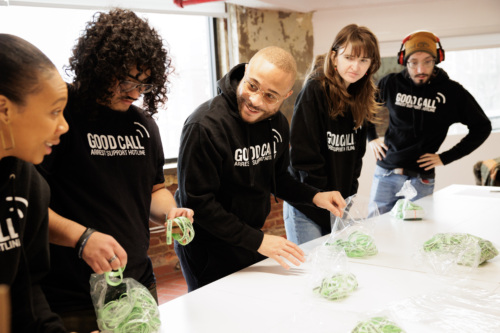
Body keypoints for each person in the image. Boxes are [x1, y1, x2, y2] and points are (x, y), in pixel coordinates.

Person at [35, 9, 194, 332]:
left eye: (143, 84)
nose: (135, 93)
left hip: (137, 284)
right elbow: (30, 205)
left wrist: (172, 213)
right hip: (72, 293)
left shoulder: (143, 125)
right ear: (99, 65)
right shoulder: (61, 116)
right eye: (125, 81)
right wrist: (82, 239)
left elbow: (152, 190)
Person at [175, 46, 347, 292]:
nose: (255, 101)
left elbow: (278, 178)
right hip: (206, 245)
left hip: (248, 237)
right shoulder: (203, 126)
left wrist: (315, 196)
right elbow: (199, 204)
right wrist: (259, 241)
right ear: (245, 72)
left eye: (270, 96)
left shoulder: (277, 124)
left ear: (286, 95)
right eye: (252, 86)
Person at [367, 30, 492, 214]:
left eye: (427, 61)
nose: (420, 69)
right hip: (385, 174)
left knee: (418, 233)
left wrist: (445, 157)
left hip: (421, 179)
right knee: (375, 226)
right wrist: (371, 137)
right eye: (414, 62)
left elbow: (482, 127)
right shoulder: (391, 83)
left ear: (437, 60)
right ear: (404, 60)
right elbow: (364, 106)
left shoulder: (452, 93)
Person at [284, 24, 381, 245]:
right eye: (349, 57)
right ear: (334, 57)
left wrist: (348, 196)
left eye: (364, 60)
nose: (355, 66)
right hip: (307, 205)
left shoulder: (360, 96)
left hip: (337, 205)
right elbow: (304, 155)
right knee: (311, 271)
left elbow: (356, 156)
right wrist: (323, 198)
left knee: (333, 267)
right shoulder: (315, 90)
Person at [0, 34, 69, 332]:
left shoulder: (30, 186)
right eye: (54, 111)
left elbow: (26, 292)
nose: (64, 126)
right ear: (4, 109)